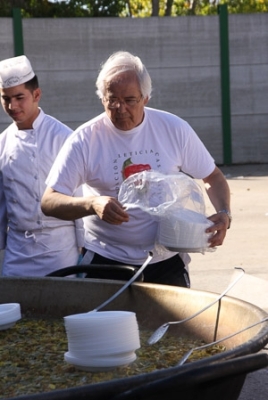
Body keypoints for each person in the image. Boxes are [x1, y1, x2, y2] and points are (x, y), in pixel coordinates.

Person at [41, 51, 231, 288]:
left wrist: (224, 212)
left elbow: (212, 177)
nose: (120, 108)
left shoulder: (173, 129)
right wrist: (92, 204)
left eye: (130, 100)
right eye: (112, 99)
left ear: (146, 98)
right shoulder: (85, 140)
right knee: (105, 326)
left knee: (173, 325)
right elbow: (49, 201)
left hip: (167, 259)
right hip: (105, 259)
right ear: (102, 98)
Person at [0, 55, 84, 276]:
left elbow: (79, 194)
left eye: (19, 97)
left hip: (59, 248)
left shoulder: (63, 137)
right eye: (5, 98)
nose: (12, 105)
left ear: (36, 94)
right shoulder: (2, 142)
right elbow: (2, 201)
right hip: (17, 250)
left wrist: (84, 244)